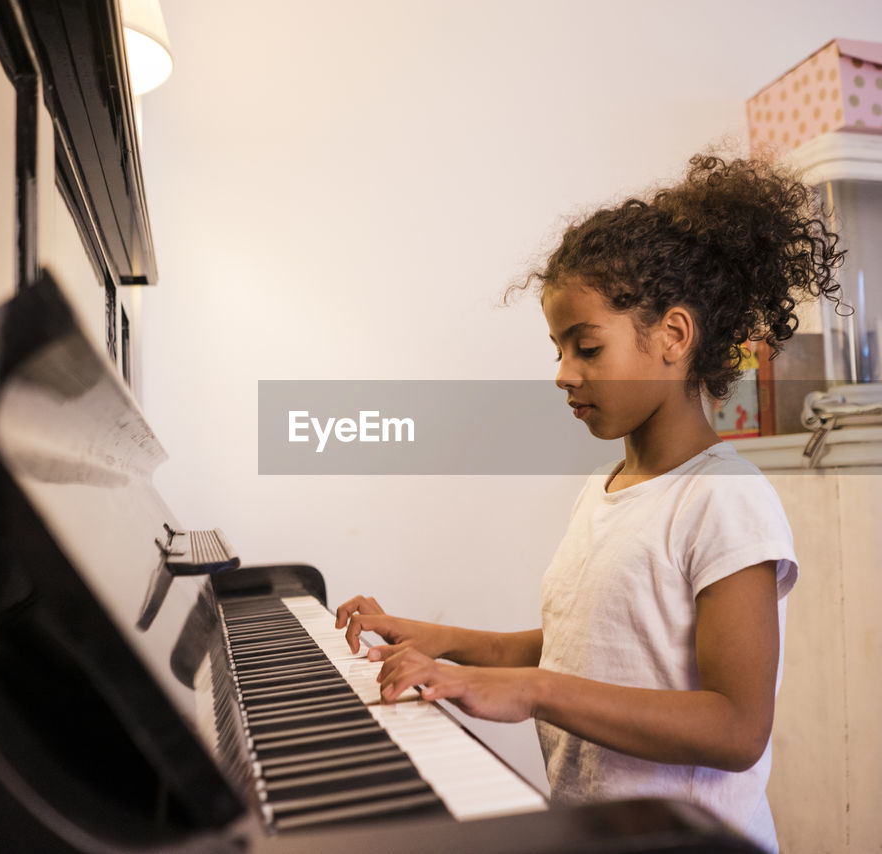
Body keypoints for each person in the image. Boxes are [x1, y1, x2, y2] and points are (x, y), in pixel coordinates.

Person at [333, 152, 844, 852]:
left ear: (672, 336)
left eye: (587, 348)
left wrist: (536, 692)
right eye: (558, 350)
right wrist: (445, 643)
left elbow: (736, 728)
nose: (564, 374)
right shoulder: (604, 491)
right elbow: (591, 647)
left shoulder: (724, 500)